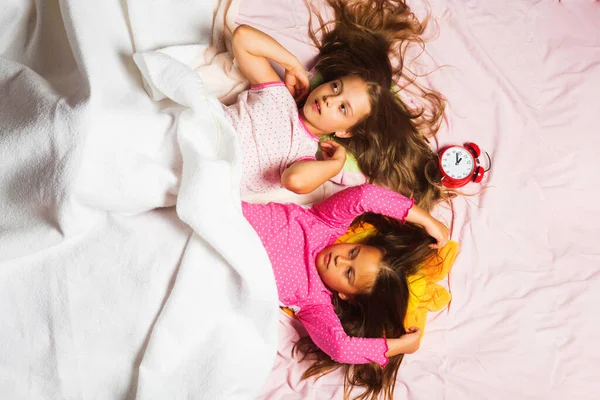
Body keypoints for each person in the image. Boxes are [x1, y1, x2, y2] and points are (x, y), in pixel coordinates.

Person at [227, 0, 448, 210]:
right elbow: (242, 38)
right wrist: (292, 64)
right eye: (335, 87)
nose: (329, 100)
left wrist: (334, 165)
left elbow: (293, 180)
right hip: (210, 126)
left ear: (345, 131)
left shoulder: (304, 155)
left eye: (343, 108)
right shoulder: (278, 94)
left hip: (218, 172)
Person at [242, 183, 449, 400]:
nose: (340, 260)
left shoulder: (315, 302)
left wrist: (402, 346)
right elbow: (365, 195)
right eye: (353, 252)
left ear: (346, 296)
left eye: (348, 273)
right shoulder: (325, 222)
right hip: (226, 219)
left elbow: (340, 348)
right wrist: (426, 220)